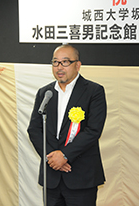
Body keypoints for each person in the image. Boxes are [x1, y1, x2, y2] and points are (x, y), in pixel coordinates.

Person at [27, 44, 107, 206]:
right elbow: (34, 129)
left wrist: (64, 155)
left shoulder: (94, 91)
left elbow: (93, 130)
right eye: (55, 62)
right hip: (52, 176)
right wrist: (52, 158)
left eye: (65, 62)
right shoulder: (45, 93)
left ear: (77, 65)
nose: (59, 67)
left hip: (81, 176)